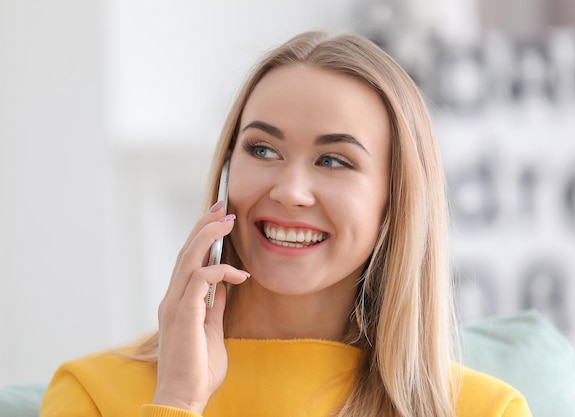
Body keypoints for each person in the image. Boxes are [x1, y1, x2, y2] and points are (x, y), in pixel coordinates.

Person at [40, 31, 532, 417]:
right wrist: (177, 401)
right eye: (262, 149)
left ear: (396, 199)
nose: (289, 191)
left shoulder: (487, 411)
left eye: (334, 161)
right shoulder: (91, 395)